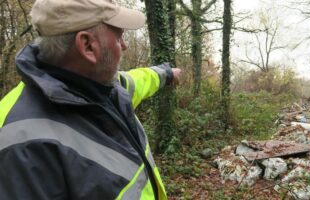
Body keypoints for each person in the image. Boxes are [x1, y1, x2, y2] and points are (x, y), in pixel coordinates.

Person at [0, 0, 181, 199]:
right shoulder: (19, 144)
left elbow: (139, 80)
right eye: (119, 36)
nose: (125, 45)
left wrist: (166, 73)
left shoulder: (105, 85)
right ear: (87, 45)